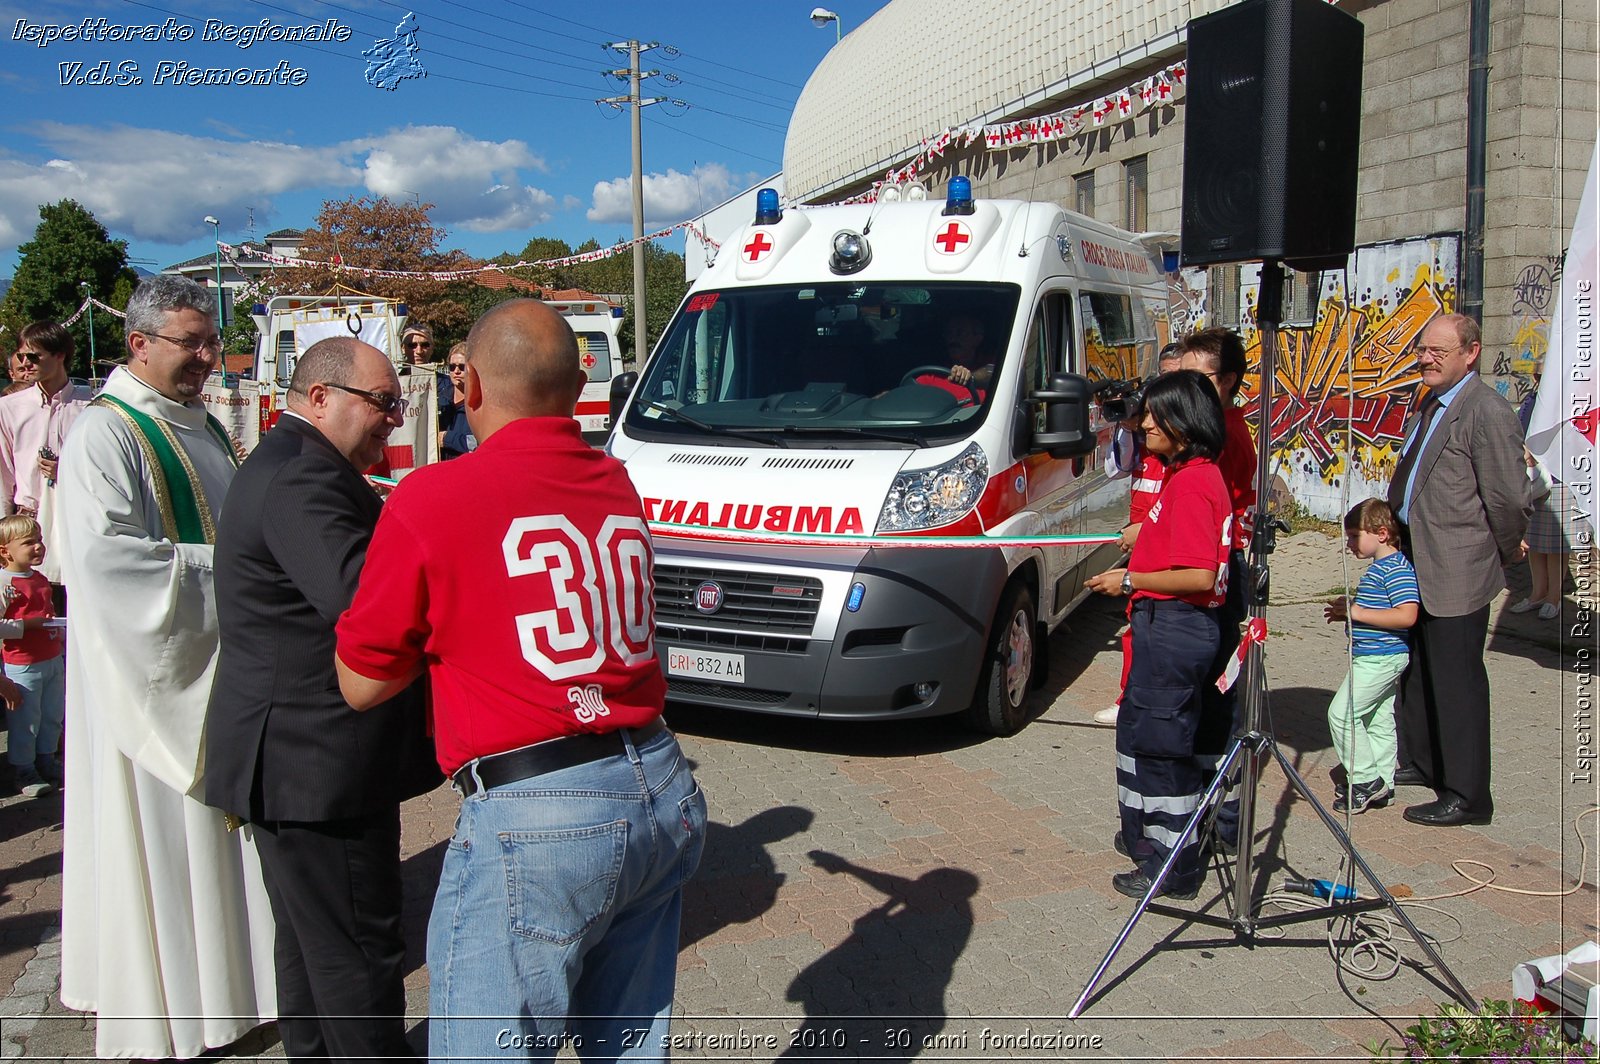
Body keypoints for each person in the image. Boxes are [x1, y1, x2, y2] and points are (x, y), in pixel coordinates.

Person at [335, 298, 707, 1060]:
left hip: (540, 812)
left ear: (467, 386)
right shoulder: (616, 479)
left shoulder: (431, 497)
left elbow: (361, 683)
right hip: (659, 784)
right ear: (578, 389)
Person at [56, 274, 277, 1058]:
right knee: (166, 844)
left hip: (218, 662)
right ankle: (175, 1007)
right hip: (150, 679)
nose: (209, 358)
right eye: (193, 344)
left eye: (211, 343)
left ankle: (238, 987)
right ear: (138, 343)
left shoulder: (202, 425)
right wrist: (243, 576)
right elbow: (109, 566)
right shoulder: (105, 435)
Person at [204, 337, 440, 1062]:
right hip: (316, 765)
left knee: (312, 951)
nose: (393, 421)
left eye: (397, 404)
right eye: (382, 403)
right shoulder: (304, 477)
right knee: (357, 955)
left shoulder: (301, 466)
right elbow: (366, 604)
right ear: (319, 397)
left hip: (299, 761)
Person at [1086, 370, 1231, 900]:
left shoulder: (1194, 483)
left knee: (1165, 748)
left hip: (1175, 628)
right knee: (1141, 737)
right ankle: (1145, 838)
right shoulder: (1182, 475)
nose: (1144, 423)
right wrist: (1143, 533)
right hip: (1160, 625)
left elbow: (1198, 575)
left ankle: (1175, 866)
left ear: (1185, 422)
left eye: (1155, 414)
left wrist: (1129, 579)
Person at [1387, 312, 1531, 827]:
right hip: (1415, 559)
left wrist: (1508, 547)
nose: (1425, 359)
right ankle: (1424, 761)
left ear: (1470, 353)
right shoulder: (1431, 400)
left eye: (1437, 352)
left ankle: (1468, 795)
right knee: (1420, 669)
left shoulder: (1485, 409)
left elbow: (1508, 495)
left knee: (1456, 680)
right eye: (1423, 349)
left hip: (1458, 564)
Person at [1096, 342, 1184, 726]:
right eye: (1162, 375)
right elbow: (1116, 468)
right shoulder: (1146, 434)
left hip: (1165, 540)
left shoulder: (1181, 441)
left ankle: (1151, 703)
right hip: (1141, 539)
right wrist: (1126, 424)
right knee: (1138, 622)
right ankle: (1130, 698)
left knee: (1159, 626)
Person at [1322, 499, 1418, 814]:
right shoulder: (1381, 568)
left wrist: (1357, 611)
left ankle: (1364, 780)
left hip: (1381, 657)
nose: (1349, 544)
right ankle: (1383, 783)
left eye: (1353, 536)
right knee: (1377, 720)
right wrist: (1348, 614)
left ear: (1380, 533)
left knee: (1342, 714)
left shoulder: (1395, 569)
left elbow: (1406, 615)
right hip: (1373, 656)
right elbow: (1376, 611)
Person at [0, 321, 94, 605]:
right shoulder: (10, 407)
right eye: (22, 356)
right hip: (28, 521)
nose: (25, 363)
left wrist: (66, 470)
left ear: (60, 355)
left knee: (78, 602)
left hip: (76, 517)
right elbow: (3, 474)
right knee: (31, 608)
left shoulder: (91, 405)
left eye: (34, 356)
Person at [0, 514, 64, 798]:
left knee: (52, 714)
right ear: (5, 551)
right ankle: (24, 768)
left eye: (39, 540)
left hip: (51, 657)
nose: (38, 547)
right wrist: (27, 626)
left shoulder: (40, 578)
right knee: (26, 719)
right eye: (29, 542)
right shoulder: (5, 583)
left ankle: (47, 759)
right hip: (22, 663)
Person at [910, 313, 994, 403]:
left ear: (978, 338)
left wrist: (971, 377)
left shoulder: (990, 364)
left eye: (960, 333)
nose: (953, 338)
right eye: (949, 333)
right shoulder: (930, 376)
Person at [439, 341, 474, 459]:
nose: (456, 371)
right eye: (452, 367)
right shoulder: (440, 401)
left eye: (462, 367)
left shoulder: (480, 404)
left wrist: (448, 439)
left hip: (467, 469)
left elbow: (481, 443)